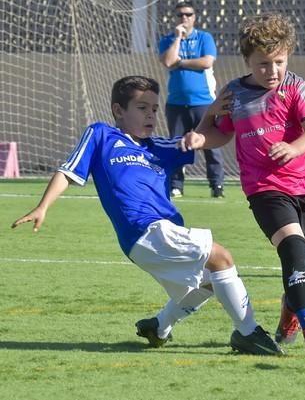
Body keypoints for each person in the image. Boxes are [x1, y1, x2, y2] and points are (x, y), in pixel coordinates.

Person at [11, 76, 283, 356]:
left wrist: (212, 111)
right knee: (221, 258)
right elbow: (68, 171)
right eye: (142, 108)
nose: (151, 114)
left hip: (158, 233)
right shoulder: (101, 135)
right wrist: (43, 206)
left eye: (154, 108)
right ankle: (248, 333)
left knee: (211, 281)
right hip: (143, 230)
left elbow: (199, 140)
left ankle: (159, 326)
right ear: (118, 110)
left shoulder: (159, 147)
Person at [178, 13, 305, 355]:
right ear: (247, 61)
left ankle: (290, 315)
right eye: (263, 64)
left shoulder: (296, 87)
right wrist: (200, 137)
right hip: (264, 188)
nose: (273, 71)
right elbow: (220, 132)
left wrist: (293, 147)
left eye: (279, 62)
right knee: (292, 247)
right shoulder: (234, 93)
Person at [159, 0, 225, 198]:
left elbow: (207, 61)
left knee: (209, 144)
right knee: (178, 145)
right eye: (180, 15)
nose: (184, 18)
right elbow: (169, 61)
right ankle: (176, 185)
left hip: (204, 101)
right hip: (176, 103)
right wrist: (178, 38)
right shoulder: (168, 40)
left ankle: (217, 185)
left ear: (194, 17)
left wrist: (182, 62)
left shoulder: (204, 37)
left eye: (188, 14)